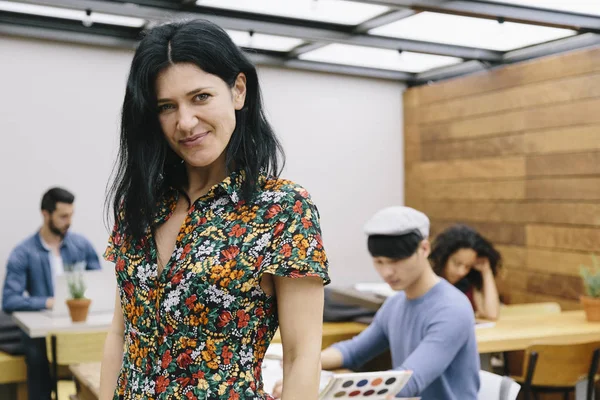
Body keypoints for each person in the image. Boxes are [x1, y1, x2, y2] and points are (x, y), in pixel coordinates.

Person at [99, 19, 330, 400]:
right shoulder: (140, 204)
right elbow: (121, 332)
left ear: (238, 90)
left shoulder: (283, 209)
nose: (185, 122)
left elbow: (302, 357)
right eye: (166, 106)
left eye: (201, 97)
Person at [275, 206, 480, 399]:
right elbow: (353, 352)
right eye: (379, 262)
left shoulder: (452, 308)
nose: (387, 272)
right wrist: (303, 365)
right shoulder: (396, 304)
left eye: (395, 261)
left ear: (424, 248)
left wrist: (316, 385)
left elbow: (409, 382)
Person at [2, 186, 101, 400]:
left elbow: (99, 283)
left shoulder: (81, 245)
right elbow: (9, 300)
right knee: (37, 352)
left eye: (71, 215)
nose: (69, 221)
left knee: (108, 344)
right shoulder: (24, 252)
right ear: (45, 214)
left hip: (79, 326)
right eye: (63, 216)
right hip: (43, 331)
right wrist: (48, 302)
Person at [429, 224, 502, 320]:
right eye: (457, 263)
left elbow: (491, 314)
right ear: (444, 258)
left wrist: (486, 271)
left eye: (468, 266)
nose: (461, 272)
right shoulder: (429, 280)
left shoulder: (469, 281)